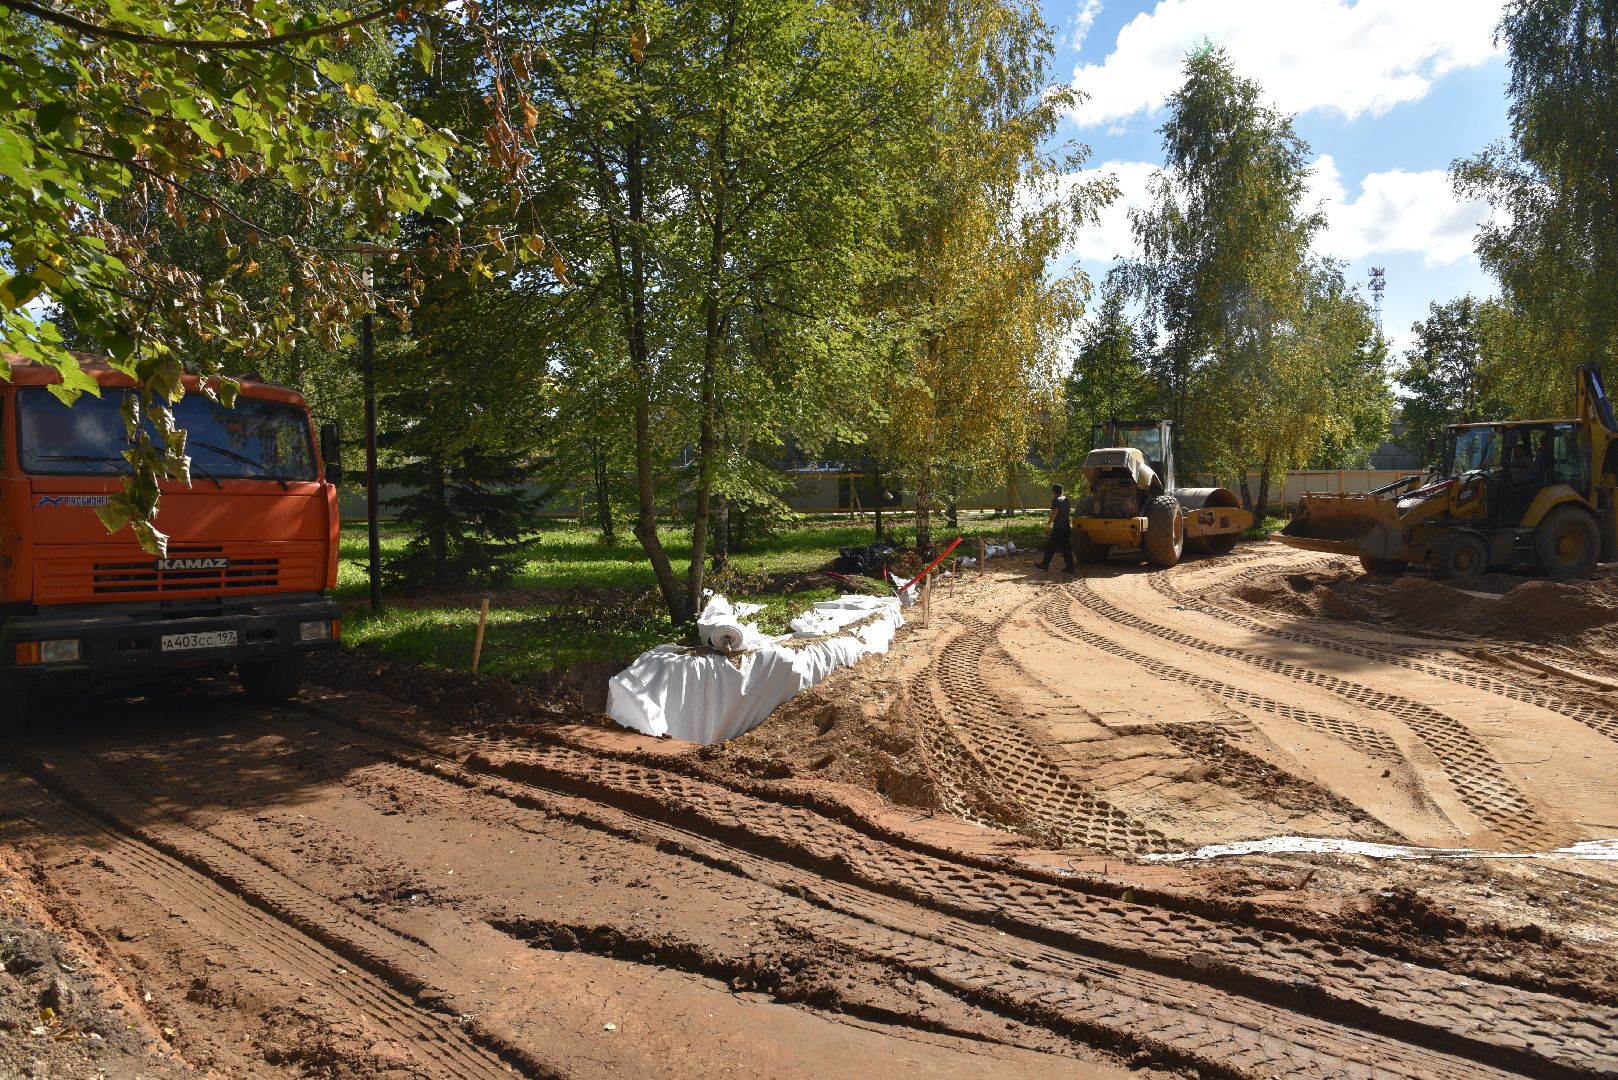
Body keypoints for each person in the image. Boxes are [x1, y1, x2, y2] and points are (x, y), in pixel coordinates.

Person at [1035, 483, 1074, 572]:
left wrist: (1048, 524)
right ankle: (1070, 567)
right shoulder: (1066, 499)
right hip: (1066, 527)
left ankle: (1044, 564)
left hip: (1058, 528)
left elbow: (1055, 512)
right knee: (1066, 548)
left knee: (1050, 546)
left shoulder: (1056, 500)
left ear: (1053, 491)